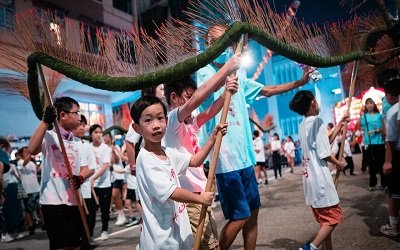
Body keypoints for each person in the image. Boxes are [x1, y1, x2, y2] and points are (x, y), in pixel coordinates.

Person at [196, 24, 314, 249]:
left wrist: (298, 83)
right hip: (224, 158)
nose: (219, 45)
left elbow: (267, 90)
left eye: (224, 40)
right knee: (239, 216)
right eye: (214, 41)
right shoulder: (204, 70)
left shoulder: (239, 71)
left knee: (252, 213)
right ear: (208, 45)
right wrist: (228, 69)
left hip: (245, 156)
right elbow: (203, 99)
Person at [130, 96, 228, 249]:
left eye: (160, 118)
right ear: (137, 127)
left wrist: (212, 138)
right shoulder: (145, 159)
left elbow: (195, 161)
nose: (156, 125)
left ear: (166, 122)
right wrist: (200, 198)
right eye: (148, 120)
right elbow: (171, 192)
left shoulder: (167, 152)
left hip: (177, 232)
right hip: (161, 240)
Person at [164, 72, 239, 249]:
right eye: (189, 97)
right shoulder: (172, 119)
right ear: (174, 97)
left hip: (199, 192)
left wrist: (226, 93)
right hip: (188, 194)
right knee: (207, 244)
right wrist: (228, 70)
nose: (194, 103)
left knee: (211, 241)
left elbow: (210, 111)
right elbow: (199, 99)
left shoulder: (189, 122)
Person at [28, 97, 90, 250]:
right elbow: (32, 149)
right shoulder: (49, 136)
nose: (79, 117)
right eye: (76, 112)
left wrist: (80, 177)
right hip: (52, 201)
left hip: (74, 200)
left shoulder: (78, 142)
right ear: (63, 115)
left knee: (75, 245)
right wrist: (45, 122)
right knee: (60, 246)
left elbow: (85, 168)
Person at [289, 90, 348, 250]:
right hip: (320, 180)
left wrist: (339, 126)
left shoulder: (303, 125)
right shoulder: (318, 122)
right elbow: (324, 153)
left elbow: (322, 144)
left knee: (324, 221)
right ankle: (311, 247)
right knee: (333, 219)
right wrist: (339, 164)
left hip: (310, 182)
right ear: (313, 103)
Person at [378, 69, 400, 237]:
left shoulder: (393, 109)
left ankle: (394, 225)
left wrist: (388, 161)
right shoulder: (389, 107)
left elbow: (390, 139)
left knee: (393, 191)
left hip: (395, 150)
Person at [72, 114, 96, 247]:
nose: (81, 127)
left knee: (88, 222)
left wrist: (80, 178)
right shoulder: (66, 143)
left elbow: (91, 168)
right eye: (79, 124)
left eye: (83, 124)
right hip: (69, 194)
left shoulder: (85, 145)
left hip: (84, 190)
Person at [89, 124, 112, 240]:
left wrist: (93, 178)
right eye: (96, 132)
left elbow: (105, 165)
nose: (99, 134)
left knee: (104, 210)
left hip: (104, 184)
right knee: (91, 211)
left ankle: (104, 230)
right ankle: (90, 233)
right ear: (91, 134)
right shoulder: (87, 147)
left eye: (100, 132)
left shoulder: (105, 148)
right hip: (90, 185)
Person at [359, 98, 386, 191]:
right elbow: (360, 127)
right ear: (365, 106)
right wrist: (360, 116)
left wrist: (376, 131)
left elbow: (383, 128)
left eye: (371, 103)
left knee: (381, 164)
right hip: (369, 143)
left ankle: (384, 184)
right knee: (371, 165)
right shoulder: (364, 116)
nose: (369, 105)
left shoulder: (379, 115)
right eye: (367, 103)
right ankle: (372, 184)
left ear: (374, 104)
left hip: (379, 142)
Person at [16, 147, 41, 235]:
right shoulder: (20, 162)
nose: (27, 152)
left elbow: (37, 171)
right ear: (21, 153)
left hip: (36, 188)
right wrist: (31, 153)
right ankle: (31, 226)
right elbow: (24, 164)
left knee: (40, 207)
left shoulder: (32, 163)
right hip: (27, 189)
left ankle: (43, 223)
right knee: (28, 210)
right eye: (25, 151)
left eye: (28, 150)